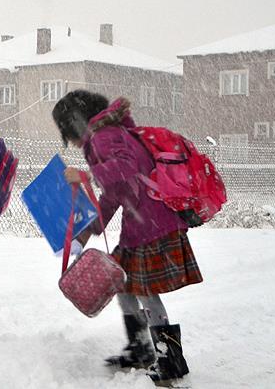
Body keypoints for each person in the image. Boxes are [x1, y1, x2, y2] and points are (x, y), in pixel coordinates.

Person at [52, 90, 202, 384]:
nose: (69, 141)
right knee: (123, 284)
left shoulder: (104, 136)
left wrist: (85, 174)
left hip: (151, 224)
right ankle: (141, 348)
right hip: (142, 223)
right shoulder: (107, 135)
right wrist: (87, 232)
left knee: (146, 291)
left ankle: (168, 360)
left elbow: (126, 167)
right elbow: (113, 194)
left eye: (66, 133)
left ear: (75, 124)